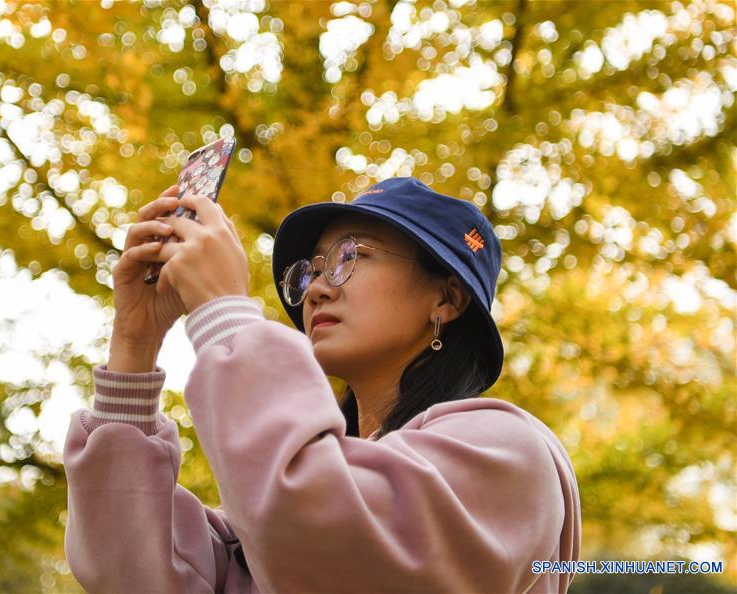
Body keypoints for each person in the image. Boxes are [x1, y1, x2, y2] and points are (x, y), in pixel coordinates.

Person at [63, 176, 582, 593]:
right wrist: (134, 344)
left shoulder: (506, 454)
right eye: (309, 272)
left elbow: (328, 537)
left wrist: (224, 313)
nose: (315, 290)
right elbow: (130, 569)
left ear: (446, 299)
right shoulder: (261, 526)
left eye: (351, 256)